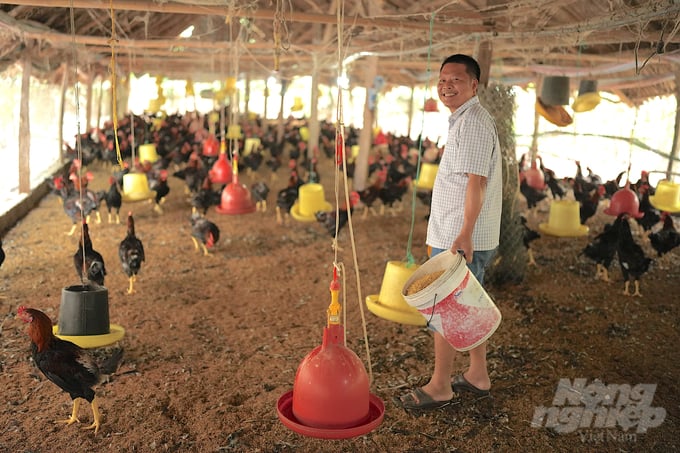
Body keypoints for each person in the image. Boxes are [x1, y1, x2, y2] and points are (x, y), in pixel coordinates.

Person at [399, 54, 502, 410]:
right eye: (442, 80)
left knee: (444, 309)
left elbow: (477, 182)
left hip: (459, 235)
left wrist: (465, 232)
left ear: (474, 85)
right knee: (469, 306)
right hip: (459, 231)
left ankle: (440, 385)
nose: (447, 86)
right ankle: (477, 375)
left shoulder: (472, 122)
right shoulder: (464, 120)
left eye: (456, 80)